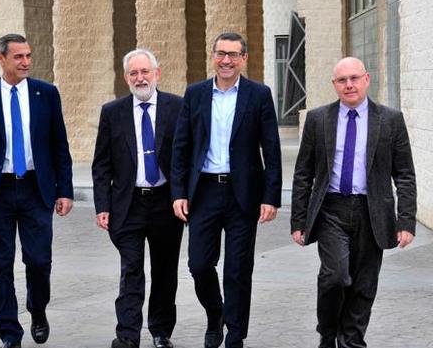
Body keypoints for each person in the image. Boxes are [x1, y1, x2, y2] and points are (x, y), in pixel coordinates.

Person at [290, 57, 417, 348]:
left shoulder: (390, 119)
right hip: (331, 210)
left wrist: (406, 220)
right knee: (335, 276)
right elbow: (303, 173)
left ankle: (352, 340)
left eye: (354, 78)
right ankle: (327, 332)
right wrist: (298, 221)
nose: (349, 85)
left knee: (363, 285)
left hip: (372, 211)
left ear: (366, 79)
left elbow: (405, 174)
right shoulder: (319, 119)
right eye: (342, 80)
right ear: (334, 84)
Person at [0, 33, 73, 348]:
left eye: (28, 56)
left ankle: (38, 309)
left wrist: (65, 190)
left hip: (36, 189)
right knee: (0, 265)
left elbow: (59, 146)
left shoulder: (46, 94)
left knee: (39, 260)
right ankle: (10, 332)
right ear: (1, 59)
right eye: (18, 57)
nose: (25, 62)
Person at [170, 32, 282, 348]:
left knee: (237, 269)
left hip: (242, 193)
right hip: (203, 192)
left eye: (233, 54)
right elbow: (182, 146)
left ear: (243, 58)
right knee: (199, 264)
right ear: (213, 55)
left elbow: (271, 149)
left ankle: (234, 335)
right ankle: (215, 313)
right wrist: (179, 192)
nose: (226, 60)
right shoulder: (195, 94)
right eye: (221, 53)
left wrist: (270, 197)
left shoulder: (259, 95)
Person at [92, 49, 184, 348]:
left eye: (145, 72)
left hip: (165, 203)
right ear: (126, 78)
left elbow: (185, 157)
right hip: (127, 204)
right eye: (134, 73)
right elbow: (101, 164)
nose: (140, 78)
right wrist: (102, 206)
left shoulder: (177, 107)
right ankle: (127, 335)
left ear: (157, 74)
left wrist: (184, 196)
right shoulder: (112, 112)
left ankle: (160, 331)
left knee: (164, 270)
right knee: (131, 268)